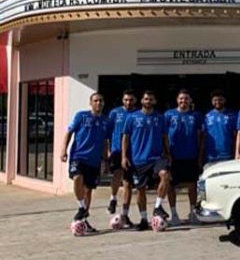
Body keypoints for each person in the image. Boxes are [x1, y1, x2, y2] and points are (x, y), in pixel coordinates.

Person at [121, 90, 172, 231]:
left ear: (155, 101)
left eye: (151, 99)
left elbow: (165, 137)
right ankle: (143, 220)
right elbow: (125, 137)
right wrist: (124, 156)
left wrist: (168, 153)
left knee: (165, 175)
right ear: (142, 101)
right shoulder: (132, 117)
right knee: (141, 190)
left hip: (156, 158)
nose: (148, 101)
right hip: (138, 160)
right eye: (146, 99)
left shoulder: (160, 117)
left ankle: (158, 206)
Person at [60, 92, 109, 233]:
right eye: (96, 100)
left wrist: (105, 160)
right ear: (90, 103)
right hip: (78, 156)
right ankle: (82, 207)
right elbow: (69, 132)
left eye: (101, 100)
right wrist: (63, 150)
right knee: (77, 177)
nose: (98, 103)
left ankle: (83, 220)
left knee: (88, 190)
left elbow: (105, 141)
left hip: (94, 161)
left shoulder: (106, 121)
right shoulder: (81, 116)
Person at [164, 90, 203, 226]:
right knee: (171, 186)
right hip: (174, 157)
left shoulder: (196, 116)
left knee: (192, 186)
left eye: (186, 99)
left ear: (190, 100)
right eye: (181, 98)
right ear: (177, 100)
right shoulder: (169, 115)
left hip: (191, 155)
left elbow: (200, 136)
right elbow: (164, 136)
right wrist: (166, 153)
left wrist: (199, 155)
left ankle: (192, 212)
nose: (183, 101)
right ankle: (174, 214)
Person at [106, 89, 137, 227]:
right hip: (117, 150)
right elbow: (108, 132)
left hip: (132, 152)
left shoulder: (138, 114)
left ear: (135, 100)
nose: (128, 102)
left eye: (131, 100)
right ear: (122, 100)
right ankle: (113, 198)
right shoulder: (115, 113)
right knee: (117, 174)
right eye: (126, 100)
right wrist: (108, 150)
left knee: (128, 183)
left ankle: (125, 214)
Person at [201, 90, 237, 165]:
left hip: (228, 156)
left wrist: (235, 152)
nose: (217, 102)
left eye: (220, 99)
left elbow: (236, 135)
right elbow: (204, 136)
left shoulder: (232, 115)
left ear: (224, 100)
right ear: (212, 101)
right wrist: (201, 155)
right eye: (215, 100)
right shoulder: (207, 116)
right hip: (210, 156)